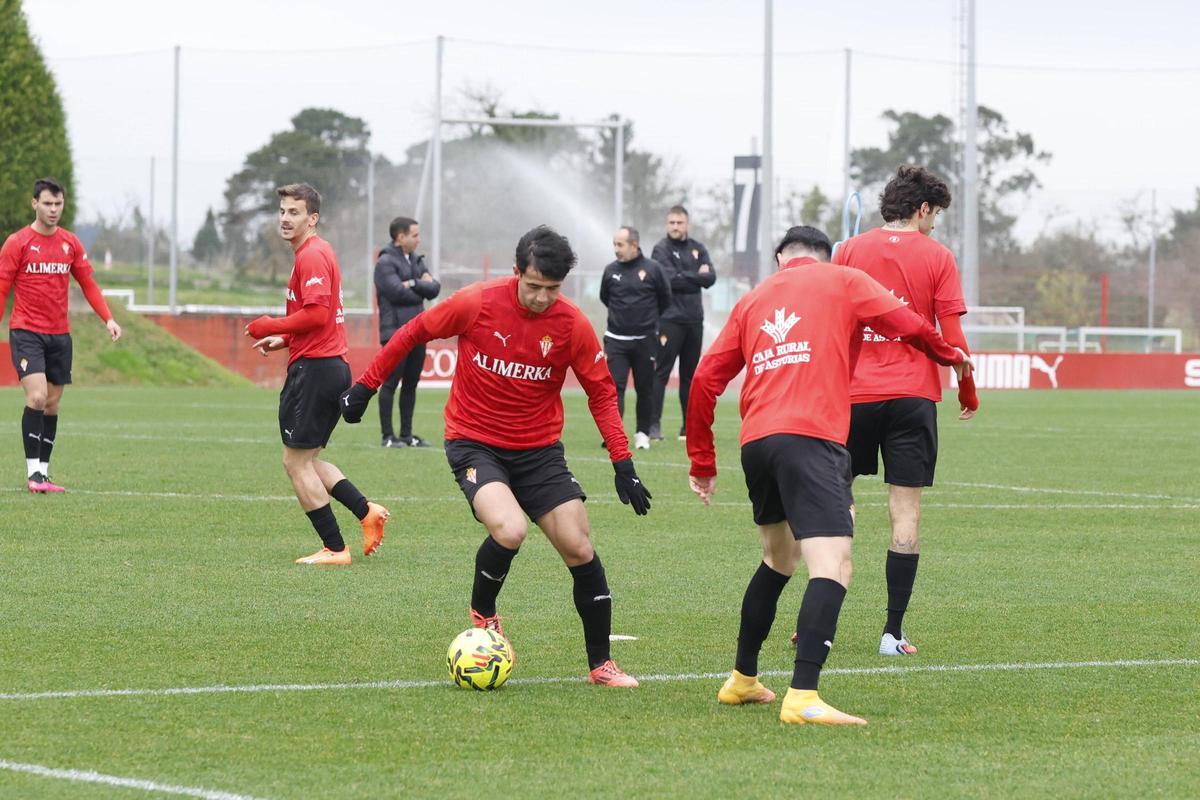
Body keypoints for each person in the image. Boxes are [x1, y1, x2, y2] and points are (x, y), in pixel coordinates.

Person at [341, 225, 652, 687]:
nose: (543, 298)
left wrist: (623, 465)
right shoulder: (477, 302)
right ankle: (483, 611)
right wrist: (366, 387)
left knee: (579, 547)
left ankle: (601, 664)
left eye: (553, 289)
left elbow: (602, 393)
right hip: (474, 442)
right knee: (510, 528)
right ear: (515, 273)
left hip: (540, 452)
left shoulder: (572, 325)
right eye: (533, 286)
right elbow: (411, 333)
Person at [685, 225, 971, 726]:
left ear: (780, 258)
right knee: (833, 565)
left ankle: (743, 680)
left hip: (758, 443)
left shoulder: (753, 301)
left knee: (777, 560)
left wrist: (703, 463)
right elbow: (909, 324)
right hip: (811, 439)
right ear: (828, 256)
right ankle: (803, 696)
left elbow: (705, 380)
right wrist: (951, 355)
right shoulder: (846, 278)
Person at [832, 165, 979, 657]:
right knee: (906, 512)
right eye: (935, 214)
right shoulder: (938, 255)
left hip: (852, 395)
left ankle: (819, 615)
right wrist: (967, 385)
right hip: (914, 395)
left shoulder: (849, 251)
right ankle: (892, 634)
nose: (936, 223)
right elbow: (951, 338)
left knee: (835, 505)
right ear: (922, 209)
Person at [244, 183, 389, 566]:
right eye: (282, 212)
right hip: (327, 366)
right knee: (307, 459)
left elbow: (318, 314)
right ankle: (366, 512)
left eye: (294, 212)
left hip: (317, 370)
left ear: (313, 218)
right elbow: (316, 318)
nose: (286, 219)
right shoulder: (315, 253)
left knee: (295, 463)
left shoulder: (312, 255)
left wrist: (268, 324)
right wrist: (285, 339)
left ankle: (335, 549)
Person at [0, 177, 123, 493]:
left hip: (60, 335)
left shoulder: (70, 243)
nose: (53, 210)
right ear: (34, 204)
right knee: (37, 397)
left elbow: (88, 284)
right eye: (48, 203)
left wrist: (108, 318)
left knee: (52, 405)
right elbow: (1, 288)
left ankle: (43, 472)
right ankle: (32, 475)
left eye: (58, 204)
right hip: (27, 331)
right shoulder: (18, 243)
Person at [599, 226, 670, 450]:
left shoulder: (653, 269)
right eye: (614, 244)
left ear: (634, 245)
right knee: (614, 388)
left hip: (645, 340)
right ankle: (615, 436)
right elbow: (605, 297)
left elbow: (665, 299)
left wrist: (648, 323)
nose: (616, 249)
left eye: (620, 245)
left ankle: (643, 433)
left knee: (644, 388)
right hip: (616, 339)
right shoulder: (610, 270)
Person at [649, 205, 715, 441]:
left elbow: (711, 278)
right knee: (662, 374)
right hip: (670, 320)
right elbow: (666, 279)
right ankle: (653, 426)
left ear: (687, 224)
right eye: (672, 223)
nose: (675, 227)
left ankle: (688, 428)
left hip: (694, 320)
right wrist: (697, 276)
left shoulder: (698, 248)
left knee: (690, 376)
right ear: (667, 225)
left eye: (679, 222)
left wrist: (684, 277)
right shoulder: (660, 249)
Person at [375, 216, 440, 448]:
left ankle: (406, 435)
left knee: (411, 384)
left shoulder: (415, 260)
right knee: (391, 383)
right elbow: (395, 293)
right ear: (400, 237)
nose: (419, 239)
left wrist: (412, 284)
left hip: (418, 331)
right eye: (415, 235)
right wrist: (420, 285)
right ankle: (388, 437)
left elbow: (434, 289)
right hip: (395, 332)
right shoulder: (385, 263)